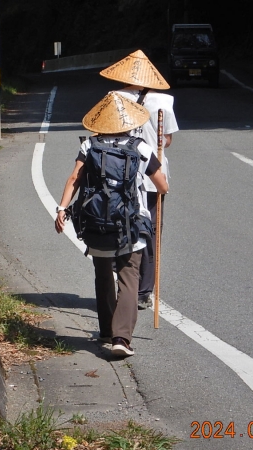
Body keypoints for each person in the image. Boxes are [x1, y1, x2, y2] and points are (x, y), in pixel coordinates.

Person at [54, 92, 169, 357]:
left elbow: (74, 178)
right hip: (131, 225)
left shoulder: (90, 146)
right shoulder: (140, 147)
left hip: (96, 224)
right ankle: (122, 339)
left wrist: (61, 208)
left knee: (103, 275)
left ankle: (106, 331)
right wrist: (162, 181)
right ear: (130, 121)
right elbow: (162, 186)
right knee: (129, 279)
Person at [99, 50, 179, 310]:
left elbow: (103, 134)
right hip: (152, 174)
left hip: (120, 175)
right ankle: (144, 290)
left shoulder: (113, 98)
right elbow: (166, 140)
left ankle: (120, 274)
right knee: (152, 231)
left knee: (122, 225)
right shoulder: (164, 102)